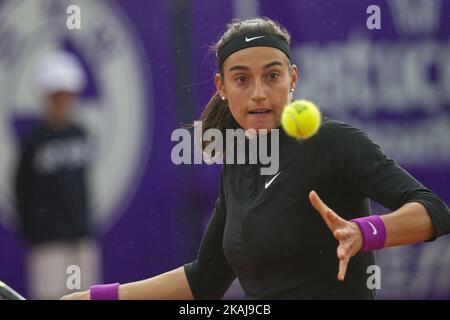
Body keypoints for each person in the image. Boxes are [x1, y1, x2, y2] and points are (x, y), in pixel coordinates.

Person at [61, 17, 450, 300]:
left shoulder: (333, 142)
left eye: (272, 76)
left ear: (292, 78)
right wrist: (97, 298)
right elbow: (206, 278)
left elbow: (435, 211)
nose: (259, 93)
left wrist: (365, 233)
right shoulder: (238, 164)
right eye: (242, 79)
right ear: (223, 87)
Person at [15, 50, 100, 299]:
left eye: (68, 96)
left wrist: (83, 222)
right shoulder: (34, 141)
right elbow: (22, 189)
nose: (63, 103)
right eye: (57, 97)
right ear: (46, 98)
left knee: (85, 294)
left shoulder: (80, 133)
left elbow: (82, 185)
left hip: (80, 237)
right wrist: (34, 232)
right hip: (47, 242)